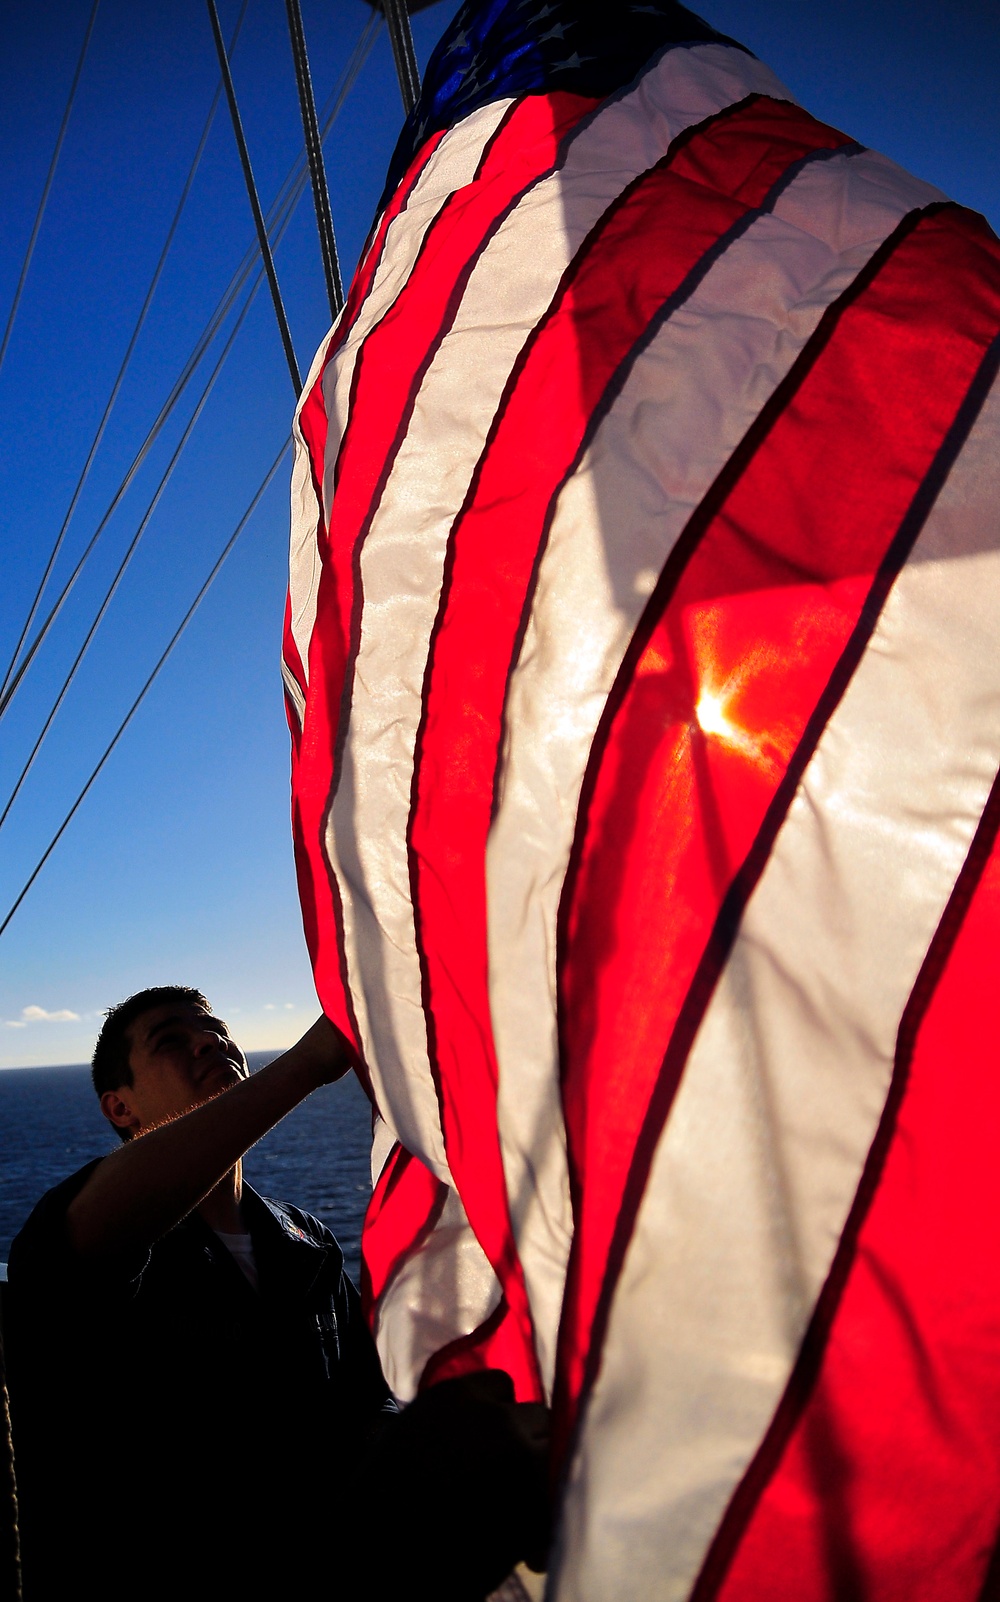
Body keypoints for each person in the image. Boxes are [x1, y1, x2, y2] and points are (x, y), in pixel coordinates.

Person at [4, 985, 394, 1602]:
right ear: (119, 1107)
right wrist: (305, 1065)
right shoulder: (77, 1234)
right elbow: (96, 1235)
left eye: (214, 1029)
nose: (210, 1041)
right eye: (171, 1041)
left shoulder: (308, 1245)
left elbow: (364, 1406)